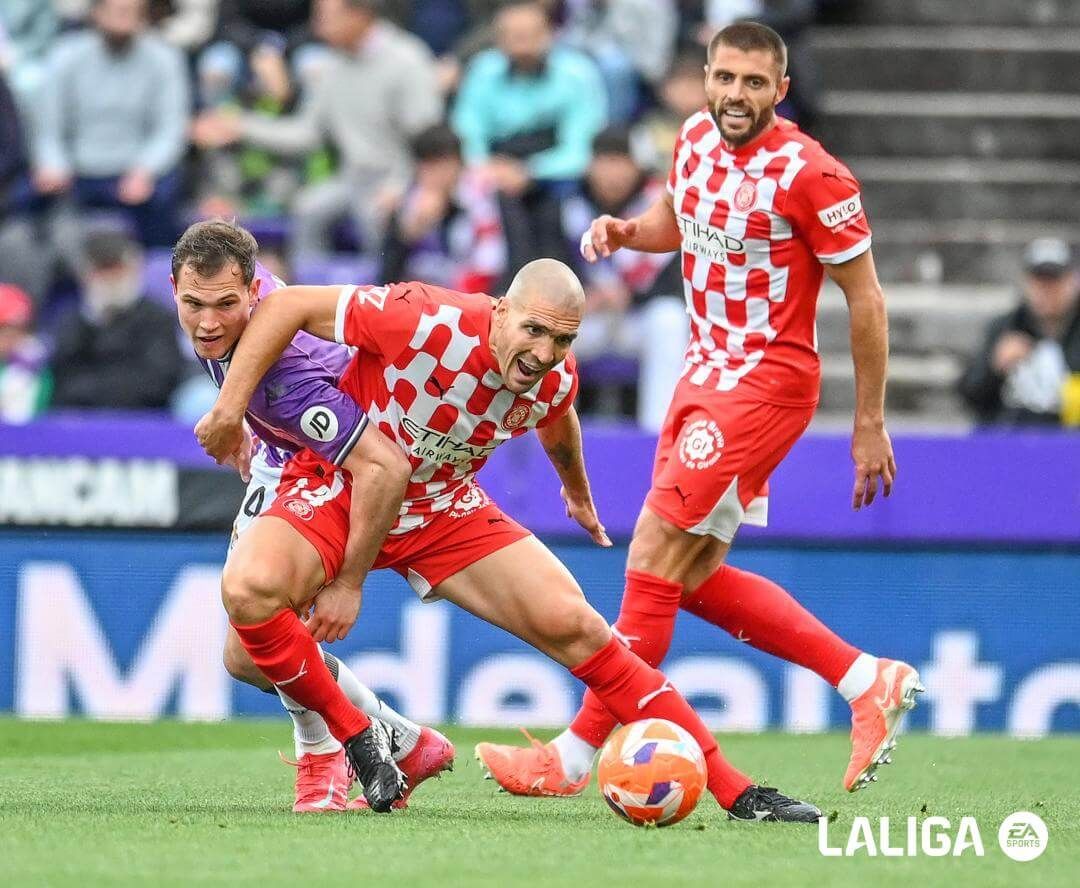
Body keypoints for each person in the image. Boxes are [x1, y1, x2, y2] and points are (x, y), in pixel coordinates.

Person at [194, 259, 823, 823]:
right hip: (344, 483)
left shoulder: (552, 378)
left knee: (580, 627)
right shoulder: (426, 318)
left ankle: (740, 792)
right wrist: (229, 408)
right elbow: (285, 305)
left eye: (563, 340)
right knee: (248, 599)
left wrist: (575, 489)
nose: (545, 353)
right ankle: (362, 737)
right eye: (534, 331)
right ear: (501, 312)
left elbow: (558, 417)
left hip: (442, 507)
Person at [476, 22, 922, 799]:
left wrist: (870, 420)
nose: (735, 95)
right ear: (705, 79)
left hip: (766, 383)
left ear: (781, 91)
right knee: (691, 576)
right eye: (724, 79)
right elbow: (677, 224)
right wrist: (628, 233)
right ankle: (866, 680)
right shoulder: (691, 139)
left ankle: (573, 757)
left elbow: (866, 300)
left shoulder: (813, 174)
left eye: (754, 83)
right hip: (701, 373)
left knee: (651, 552)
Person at [171, 219, 454, 812]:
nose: (206, 321)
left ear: (253, 293)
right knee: (246, 653)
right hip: (281, 453)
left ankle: (324, 751)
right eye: (192, 303)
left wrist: (348, 580)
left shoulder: (295, 378)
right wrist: (239, 417)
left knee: (253, 643)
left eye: (225, 304)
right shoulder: (235, 293)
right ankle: (401, 740)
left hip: (332, 467)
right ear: (174, 287)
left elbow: (377, 464)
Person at [193, 0, 443, 257]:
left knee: (377, 217)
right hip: (352, 178)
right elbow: (306, 133)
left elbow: (429, 141)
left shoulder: (407, 60)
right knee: (308, 208)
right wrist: (240, 125)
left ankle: (382, 293)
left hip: (400, 179)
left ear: (359, 15)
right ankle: (313, 290)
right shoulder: (334, 65)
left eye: (326, 16)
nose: (318, 26)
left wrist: (401, 185)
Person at [451, 1, 607, 270]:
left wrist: (529, 172)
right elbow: (467, 134)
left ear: (550, 34)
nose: (523, 45)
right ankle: (497, 290)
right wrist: (488, 168)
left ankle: (569, 288)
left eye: (531, 36)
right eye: (514, 37)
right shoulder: (482, 71)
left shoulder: (577, 74)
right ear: (499, 40)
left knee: (558, 213)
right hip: (496, 171)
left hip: (555, 174)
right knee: (484, 205)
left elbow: (581, 148)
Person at [32, 0, 190, 249]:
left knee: (166, 198)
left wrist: (145, 169)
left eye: (131, 9)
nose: (124, 14)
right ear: (96, 11)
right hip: (76, 172)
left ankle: (158, 273)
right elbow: (48, 128)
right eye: (116, 8)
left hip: (137, 172)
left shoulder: (165, 58)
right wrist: (54, 165)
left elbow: (170, 130)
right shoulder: (65, 55)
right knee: (28, 204)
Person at [50, 229, 184, 410]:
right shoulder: (73, 320)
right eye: (102, 270)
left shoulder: (157, 318)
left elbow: (160, 379)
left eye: (116, 268)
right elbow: (62, 376)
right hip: (82, 417)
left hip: (143, 417)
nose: (110, 278)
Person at [958, 237, 1080, 425]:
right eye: (1039, 281)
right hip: (1011, 442)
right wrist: (995, 367)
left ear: (1073, 282)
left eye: (1054, 281)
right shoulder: (1004, 327)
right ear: (1026, 283)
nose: (1046, 290)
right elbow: (969, 394)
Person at [379, 124, 506, 294]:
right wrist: (408, 233)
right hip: (419, 293)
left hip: (470, 292)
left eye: (438, 164)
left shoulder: (481, 195)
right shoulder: (409, 197)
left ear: (457, 162)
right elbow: (387, 273)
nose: (432, 173)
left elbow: (491, 261)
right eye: (426, 165)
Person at [0, 284, 50, 423]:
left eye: (19, 331)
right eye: (4, 331)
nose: (11, 339)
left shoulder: (31, 364)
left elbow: (19, 416)